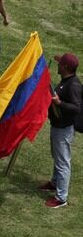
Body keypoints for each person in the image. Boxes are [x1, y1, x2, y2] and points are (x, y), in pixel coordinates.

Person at [40, 53, 81, 208]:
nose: (57, 65)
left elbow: (76, 108)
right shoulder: (66, 80)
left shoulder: (74, 85)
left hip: (63, 130)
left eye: (60, 63)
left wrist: (60, 103)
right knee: (57, 158)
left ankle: (61, 198)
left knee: (63, 162)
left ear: (66, 67)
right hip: (57, 127)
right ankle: (55, 183)